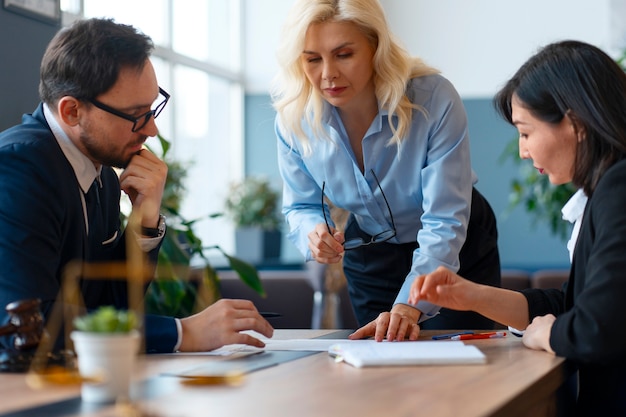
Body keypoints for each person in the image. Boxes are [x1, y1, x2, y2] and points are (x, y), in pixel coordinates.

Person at [0, 18, 273, 355]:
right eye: (136, 115)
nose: (152, 130)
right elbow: (29, 325)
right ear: (72, 111)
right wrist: (180, 332)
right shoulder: (17, 169)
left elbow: (109, 306)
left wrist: (144, 219)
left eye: (152, 108)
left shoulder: (102, 173)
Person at [409, 40, 626, 415]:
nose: (523, 151)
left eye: (525, 132)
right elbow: (577, 303)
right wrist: (472, 296)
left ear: (575, 124)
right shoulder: (604, 192)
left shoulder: (618, 189)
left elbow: (597, 327)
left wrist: (549, 334)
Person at [271, 0, 500, 342]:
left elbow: (444, 219)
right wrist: (313, 233)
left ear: (376, 48)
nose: (327, 74)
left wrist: (412, 305)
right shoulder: (294, 120)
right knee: (381, 362)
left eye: (344, 54)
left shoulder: (434, 98)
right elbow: (300, 206)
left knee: (459, 364)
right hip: (371, 251)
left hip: (455, 242)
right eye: (313, 59)